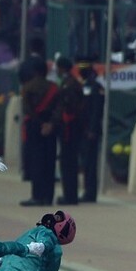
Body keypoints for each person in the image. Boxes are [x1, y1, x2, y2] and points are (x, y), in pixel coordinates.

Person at [19, 56, 60, 207]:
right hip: (51, 127)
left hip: (35, 126)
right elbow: (59, 109)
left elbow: (27, 109)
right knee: (49, 161)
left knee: (36, 161)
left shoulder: (28, 87)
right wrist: (49, 124)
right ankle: (48, 196)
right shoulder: (54, 87)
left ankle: (37, 195)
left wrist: (40, 123)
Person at [54, 57, 85, 205]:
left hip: (70, 129)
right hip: (70, 128)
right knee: (67, 163)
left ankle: (70, 195)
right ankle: (69, 194)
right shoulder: (71, 82)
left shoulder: (70, 85)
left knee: (68, 163)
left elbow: (70, 107)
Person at [77, 61, 105, 203]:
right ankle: (87, 190)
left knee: (90, 163)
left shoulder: (95, 87)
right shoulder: (83, 86)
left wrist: (92, 129)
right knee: (85, 163)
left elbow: (96, 111)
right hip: (82, 130)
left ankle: (90, 192)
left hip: (90, 131)